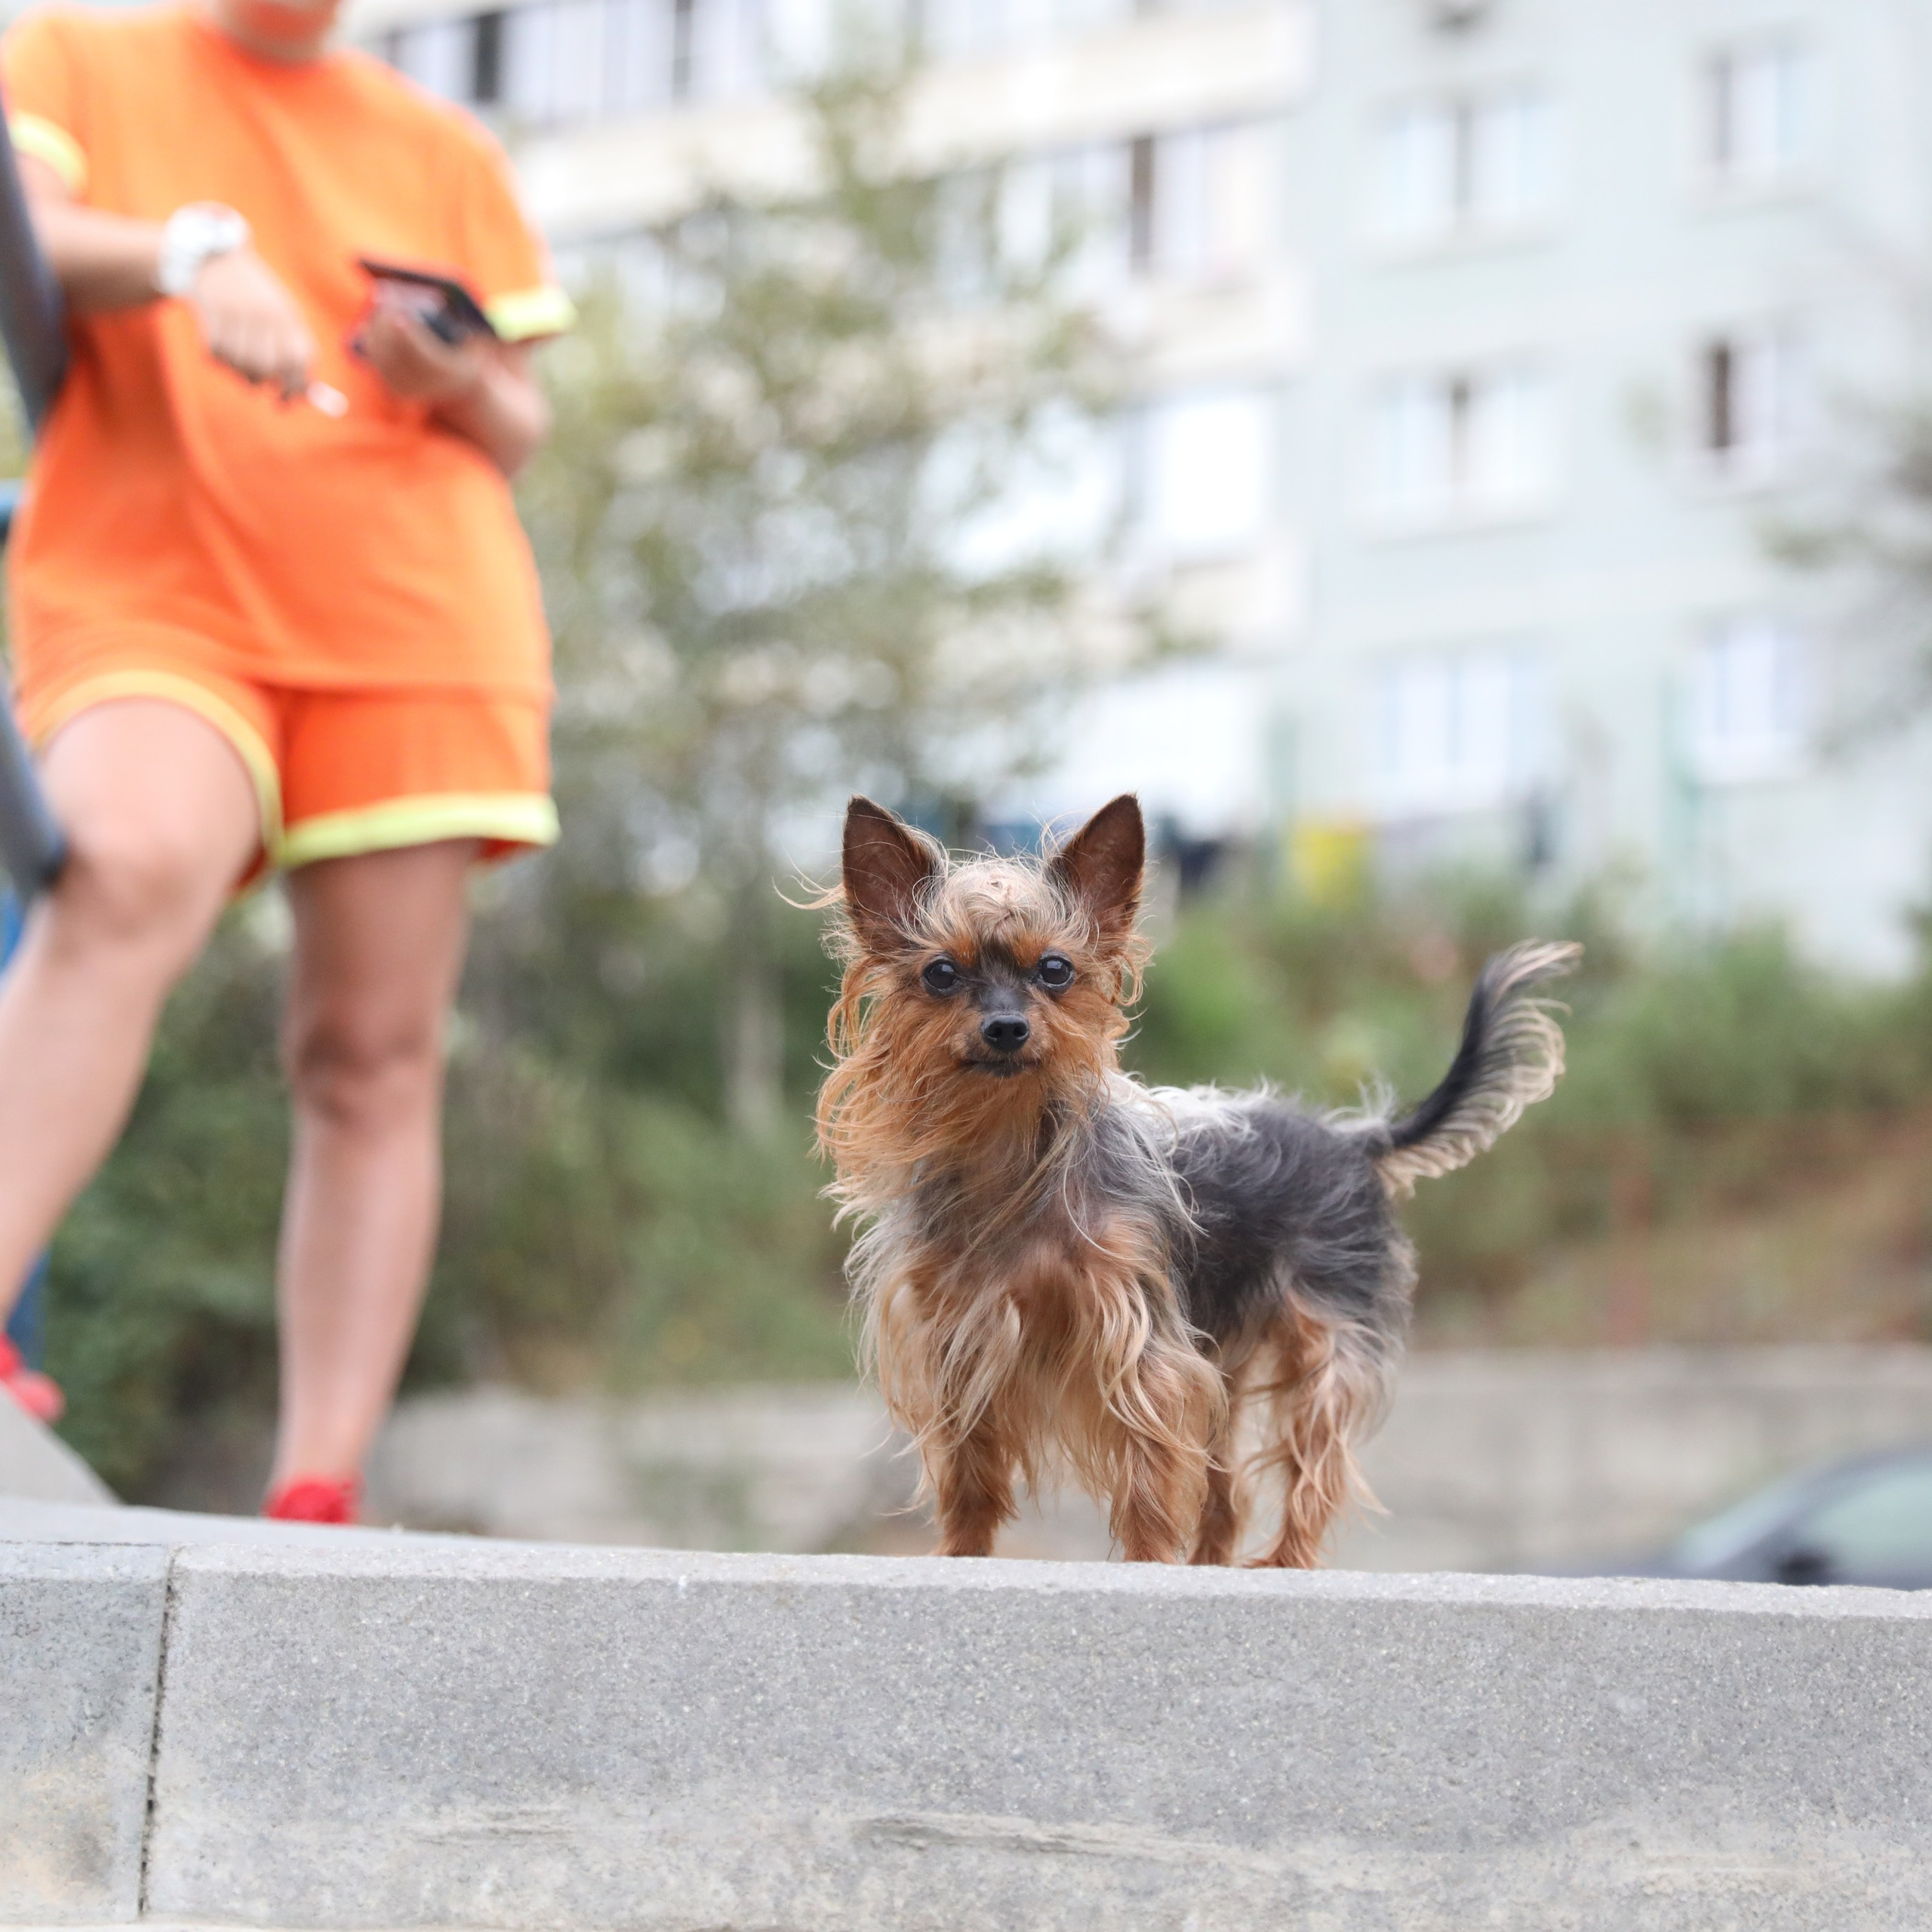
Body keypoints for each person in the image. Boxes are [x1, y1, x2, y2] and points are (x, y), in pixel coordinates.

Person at [0, 0, 571, 1518]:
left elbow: (519, 419)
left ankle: (315, 1484)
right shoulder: (79, 57)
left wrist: (450, 374)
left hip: (411, 609)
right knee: (125, 863)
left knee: (371, 1056)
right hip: (156, 568)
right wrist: (189, 252)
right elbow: (29, 237)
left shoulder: (436, 144)